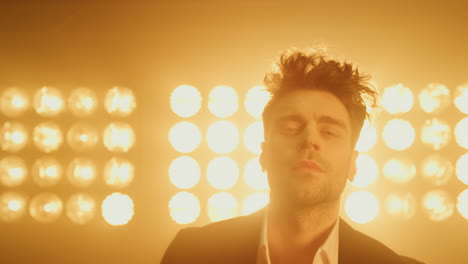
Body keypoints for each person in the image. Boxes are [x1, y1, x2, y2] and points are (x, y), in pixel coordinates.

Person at [161, 48, 424, 264]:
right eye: (290, 128)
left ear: (353, 164)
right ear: (263, 156)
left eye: (329, 132)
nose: (309, 140)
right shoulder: (191, 254)